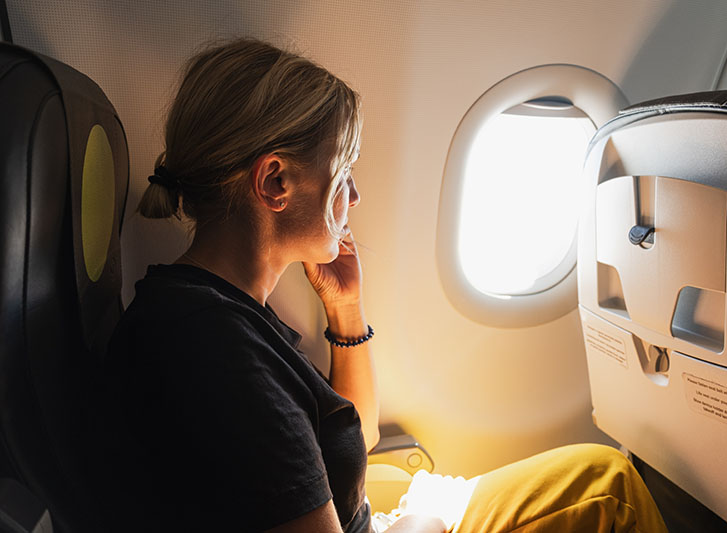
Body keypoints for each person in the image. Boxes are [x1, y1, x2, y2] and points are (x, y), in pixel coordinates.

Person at [105, 38, 668, 533]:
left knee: (599, 474)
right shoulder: (214, 349)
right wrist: (426, 518)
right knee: (609, 493)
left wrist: (346, 310)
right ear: (275, 180)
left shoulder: (221, 309)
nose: (353, 198)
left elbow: (358, 435)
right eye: (343, 171)